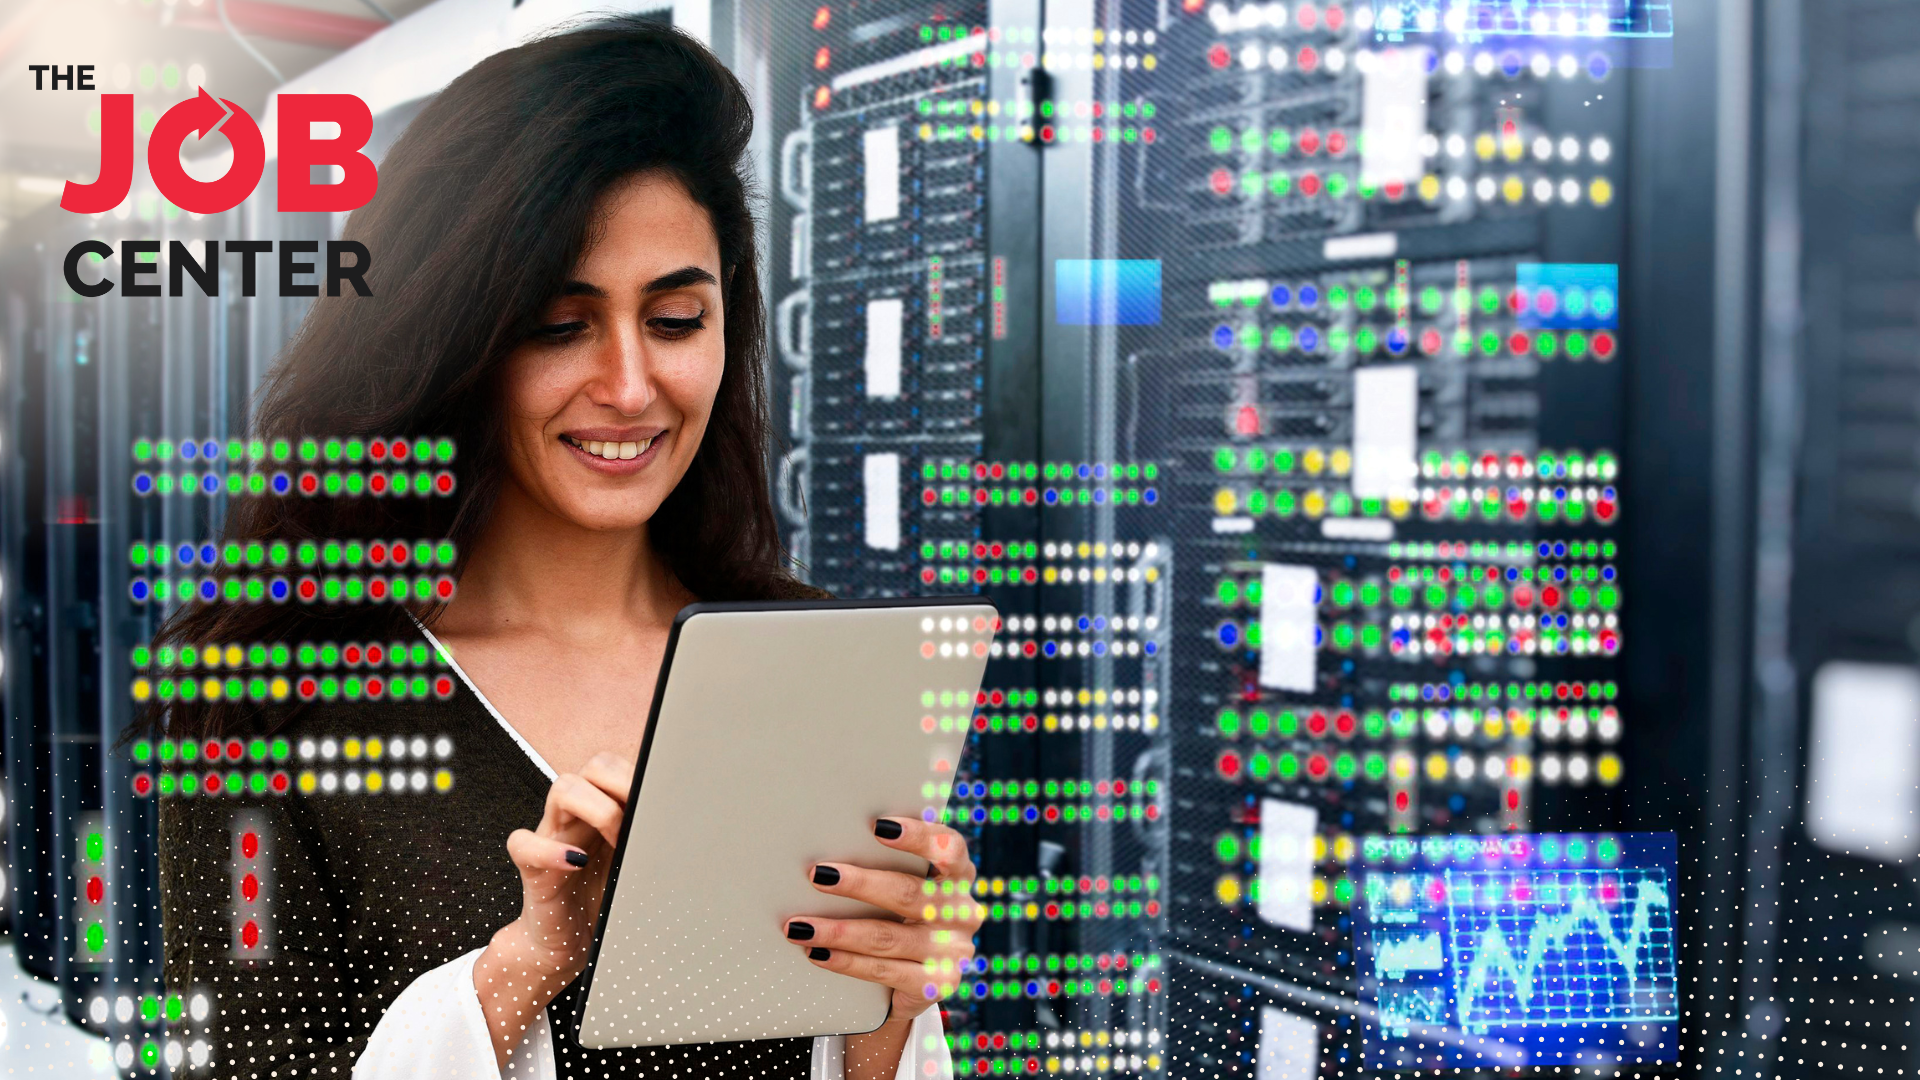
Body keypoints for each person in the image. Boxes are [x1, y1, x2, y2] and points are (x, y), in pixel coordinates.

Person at [143, 17, 978, 1080]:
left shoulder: (812, 661)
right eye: (559, 325)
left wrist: (889, 1008)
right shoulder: (270, 698)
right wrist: (522, 970)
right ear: (453, 338)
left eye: (675, 319)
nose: (630, 387)